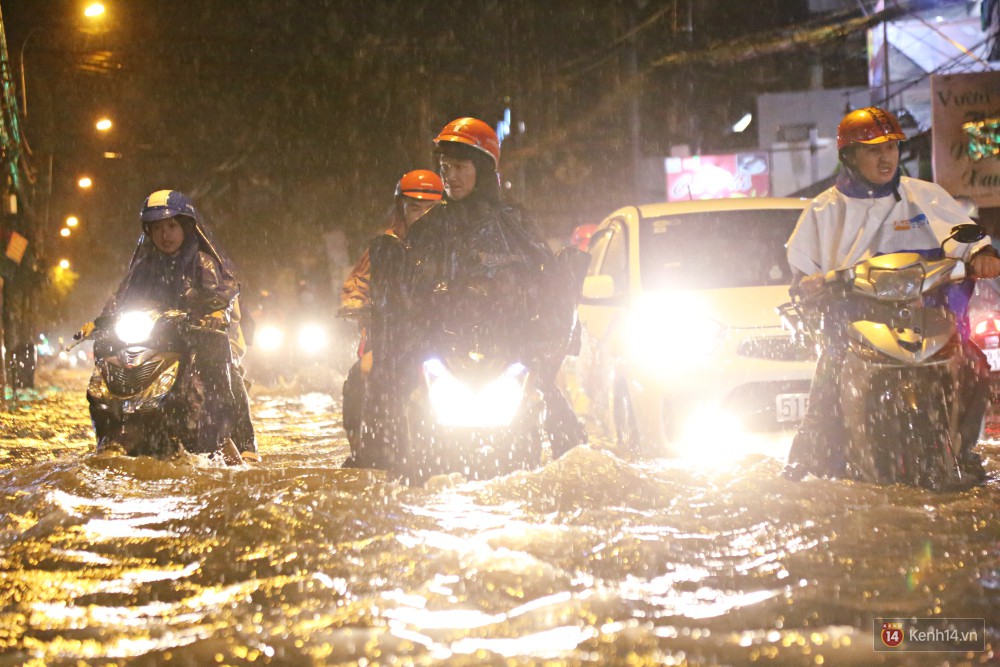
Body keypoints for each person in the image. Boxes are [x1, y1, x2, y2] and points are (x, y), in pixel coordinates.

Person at [783, 106, 1000, 481]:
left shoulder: (925, 196)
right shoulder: (822, 210)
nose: (886, 157)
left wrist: (982, 254)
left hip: (929, 321)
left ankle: (964, 453)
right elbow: (803, 274)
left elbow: (965, 234)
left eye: (892, 147)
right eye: (873, 149)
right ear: (849, 156)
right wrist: (810, 285)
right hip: (853, 330)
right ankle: (813, 468)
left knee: (975, 367)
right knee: (825, 395)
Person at [369, 117, 586, 463]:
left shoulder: (514, 223)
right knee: (388, 415)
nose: (450, 176)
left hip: (508, 351)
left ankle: (577, 465)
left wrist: (532, 314)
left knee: (562, 427)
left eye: (459, 167)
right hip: (442, 351)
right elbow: (405, 289)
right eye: (444, 167)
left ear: (482, 168)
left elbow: (546, 280)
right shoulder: (429, 228)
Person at [86, 189, 256, 464]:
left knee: (223, 366)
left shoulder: (204, 263)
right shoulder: (143, 266)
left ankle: (240, 439)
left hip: (195, 337)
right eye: (157, 228)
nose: (165, 235)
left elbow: (224, 290)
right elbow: (120, 298)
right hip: (156, 339)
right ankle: (111, 432)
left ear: (186, 227)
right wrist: (101, 321)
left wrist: (212, 311)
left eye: (171, 226)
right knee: (105, 351)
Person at [339, 169, 443, 450]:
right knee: (362, 372)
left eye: (430, 209)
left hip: (441, 334)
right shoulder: (387, 246)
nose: (422, 216)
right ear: (402, 209)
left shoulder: (454, 246)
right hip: (392, 335)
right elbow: (357, 281)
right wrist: (355, 303)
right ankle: (363, 445)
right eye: (414, 208)